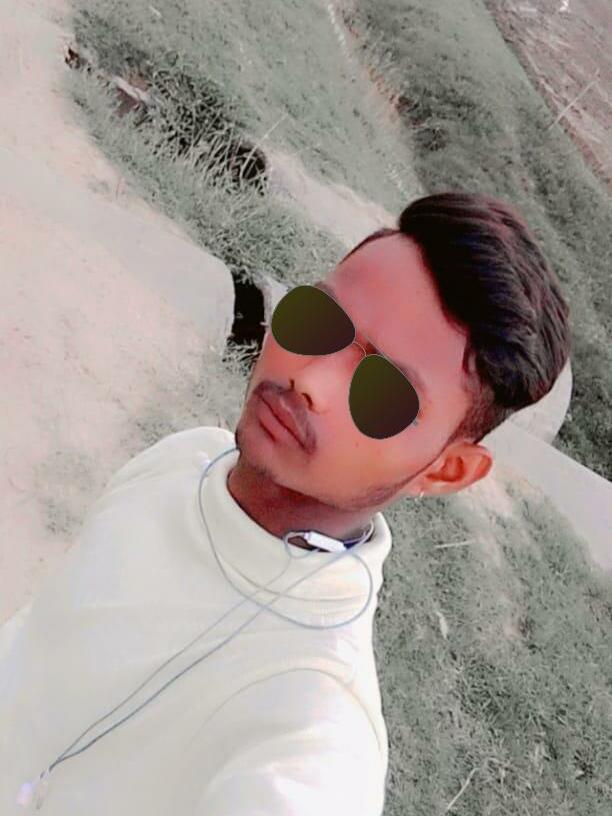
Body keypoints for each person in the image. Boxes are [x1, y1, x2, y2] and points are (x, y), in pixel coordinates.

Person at [0, 192, 571, 815]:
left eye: (383, 392)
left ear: (444, 471)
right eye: (319, 319)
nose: (311, 379)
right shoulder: (188, 458)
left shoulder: (315, 729)